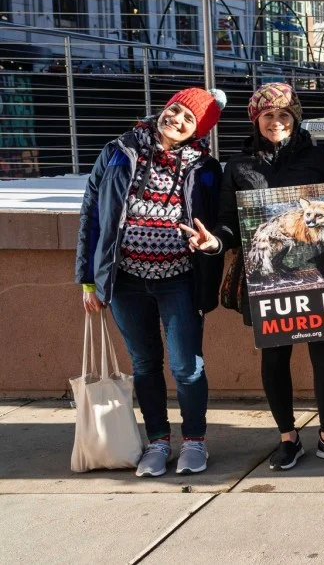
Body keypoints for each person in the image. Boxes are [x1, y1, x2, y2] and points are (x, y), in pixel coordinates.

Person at [184, 82, 324, 471]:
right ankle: (288, 437)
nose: (276, 122)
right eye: (268, 115)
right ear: (255, 120)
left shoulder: (320, 159)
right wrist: (214, 240)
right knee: (275, 358)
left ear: (295, 119)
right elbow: (230, 224)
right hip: (266, 278)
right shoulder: (239, 167)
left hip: (320, 274)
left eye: (284, 115)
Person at [76, 87, 225, 477]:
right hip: (125, 280)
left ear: (198, 129)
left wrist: (209, 242)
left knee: (186, 366)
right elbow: (92, 214)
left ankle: (194, 441)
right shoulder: (118, 151)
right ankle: (158, 441)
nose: (176, 120)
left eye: (188, 118)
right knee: (144, 364)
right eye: (174, 110)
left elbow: (218, 222)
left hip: (179, 279)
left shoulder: (206, 168)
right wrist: (89, 279)